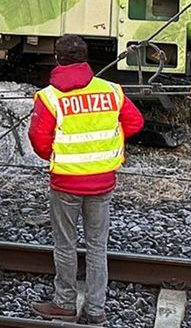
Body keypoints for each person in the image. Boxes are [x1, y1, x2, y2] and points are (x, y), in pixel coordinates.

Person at [29, 35, 145, 325]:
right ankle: (96, 309)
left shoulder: (49, 97)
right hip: (102, 181)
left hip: (66, 182)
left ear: (57, 59)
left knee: (65, 245)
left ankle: (65, 303)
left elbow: (39, 141)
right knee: (97, 246)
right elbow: (135, 122)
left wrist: (64, 153)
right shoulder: (112, 91)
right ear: (85, 58)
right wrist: (104, 145)